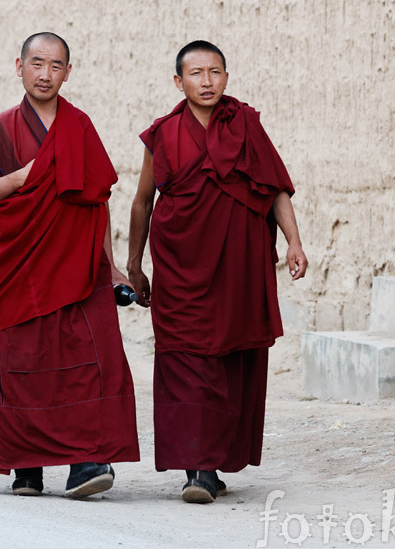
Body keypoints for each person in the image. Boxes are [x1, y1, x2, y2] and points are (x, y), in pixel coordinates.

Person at [0, 32, 140, 498]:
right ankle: (27, 464)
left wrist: (111, 265)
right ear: (19, 67)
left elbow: (98, 199)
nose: (45, 74)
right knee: (20, 361)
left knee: (90, 360)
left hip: (78, 265)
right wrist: (19, 178)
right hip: (17, 266)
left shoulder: (79, 126)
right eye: (37, 63)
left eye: (56, 65)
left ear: (68, 73)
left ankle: (88, 460)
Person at [127, 40, 308, 503]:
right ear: (178, 81)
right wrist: (134, 263)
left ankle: (212, 459)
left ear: (226, 77)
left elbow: (274, 189)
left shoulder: (245, 124)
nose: (206, 82)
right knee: (186, 358)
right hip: (181, 265)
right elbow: (144, 200)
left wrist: (294, 242)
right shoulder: (163, 133)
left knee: (232, 358)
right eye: (196, 73)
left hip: (239, 266)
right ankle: (199, 470)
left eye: (215, 72)